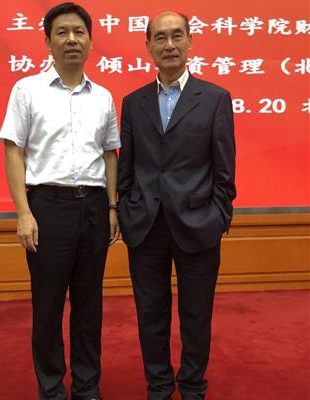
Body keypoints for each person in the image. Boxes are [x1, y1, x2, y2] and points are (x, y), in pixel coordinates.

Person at [0, 3, 120, 399]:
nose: (72, 40)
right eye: (62, 32)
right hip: (47, 207)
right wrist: (23, 212)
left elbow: (110, 154)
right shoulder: (27, 90)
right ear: (48, 41)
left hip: (94, 207)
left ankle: (87, 388)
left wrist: (113, 207)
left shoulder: (103, 97)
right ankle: (51, 390)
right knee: (48, 306)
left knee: (89, 305)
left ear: (90, 41)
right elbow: (13, 150)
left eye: (79, 32)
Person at [117, 11, 236, 400]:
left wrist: (219, 216)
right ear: (148, 46)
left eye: (177, 36)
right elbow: (127, 165)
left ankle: (193, 387)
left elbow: (224, 169)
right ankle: (158, 387)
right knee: (150, 315)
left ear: (190, 42)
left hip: (199, 224)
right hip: (146, 225)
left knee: (196, 317)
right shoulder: (133, 102)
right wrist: (126, 208)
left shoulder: (215, 99)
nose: (169, 45)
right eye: (160, 38)